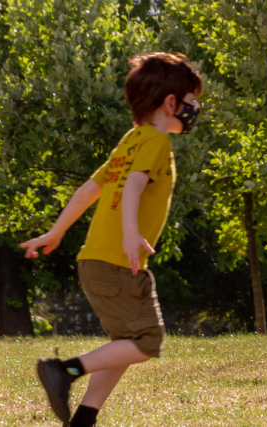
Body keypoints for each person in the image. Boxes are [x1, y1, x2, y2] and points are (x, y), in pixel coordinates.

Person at [19, 52, 202, 427]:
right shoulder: (156, 143)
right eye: (191, 101)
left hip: (96, 260)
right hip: (119, 262)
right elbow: (134, 185)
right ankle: (64, 371)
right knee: (146, 341)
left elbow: (90, 189)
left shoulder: (132, 140)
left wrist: (57, 231)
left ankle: (84, 419)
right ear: (171, 103)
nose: (195, 108)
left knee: (123, 344)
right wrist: (131, 233)